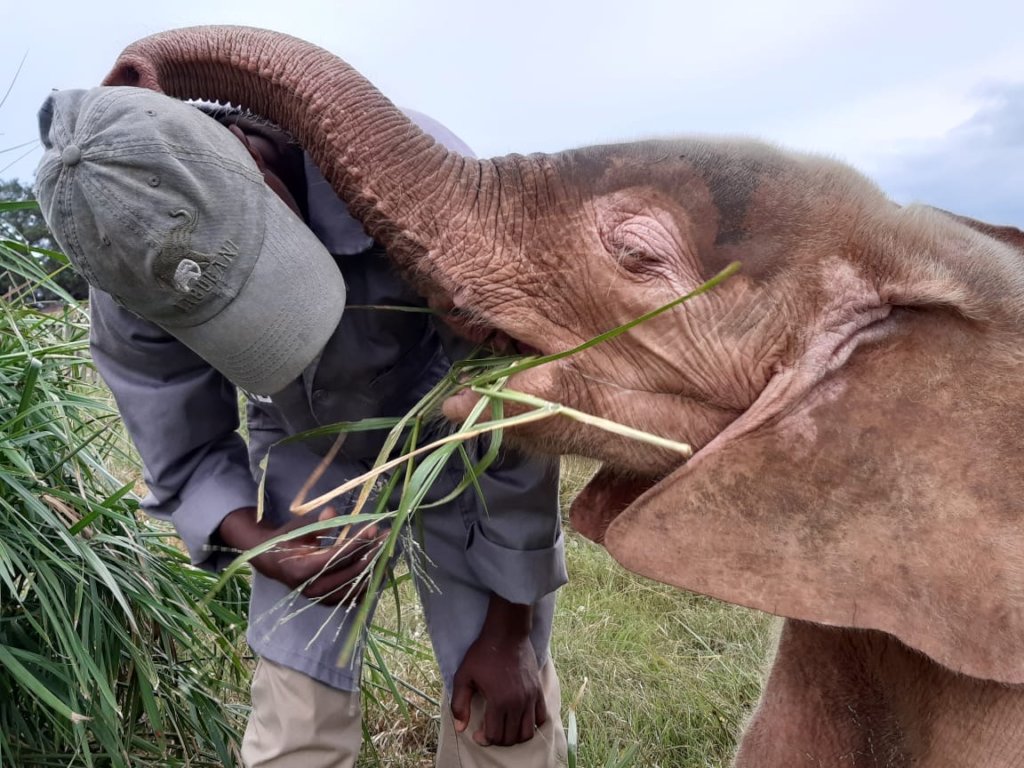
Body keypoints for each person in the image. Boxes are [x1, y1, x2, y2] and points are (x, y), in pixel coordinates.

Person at [34, 86, 569, 768]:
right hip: (307, 445)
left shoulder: (417, 178)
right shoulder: (125, 250)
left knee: (501, 716)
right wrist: (265, 545)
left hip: (463, 442)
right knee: (294, 718)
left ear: (254, 163)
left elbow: (513, 408)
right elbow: (178, 438)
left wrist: (510, 627)